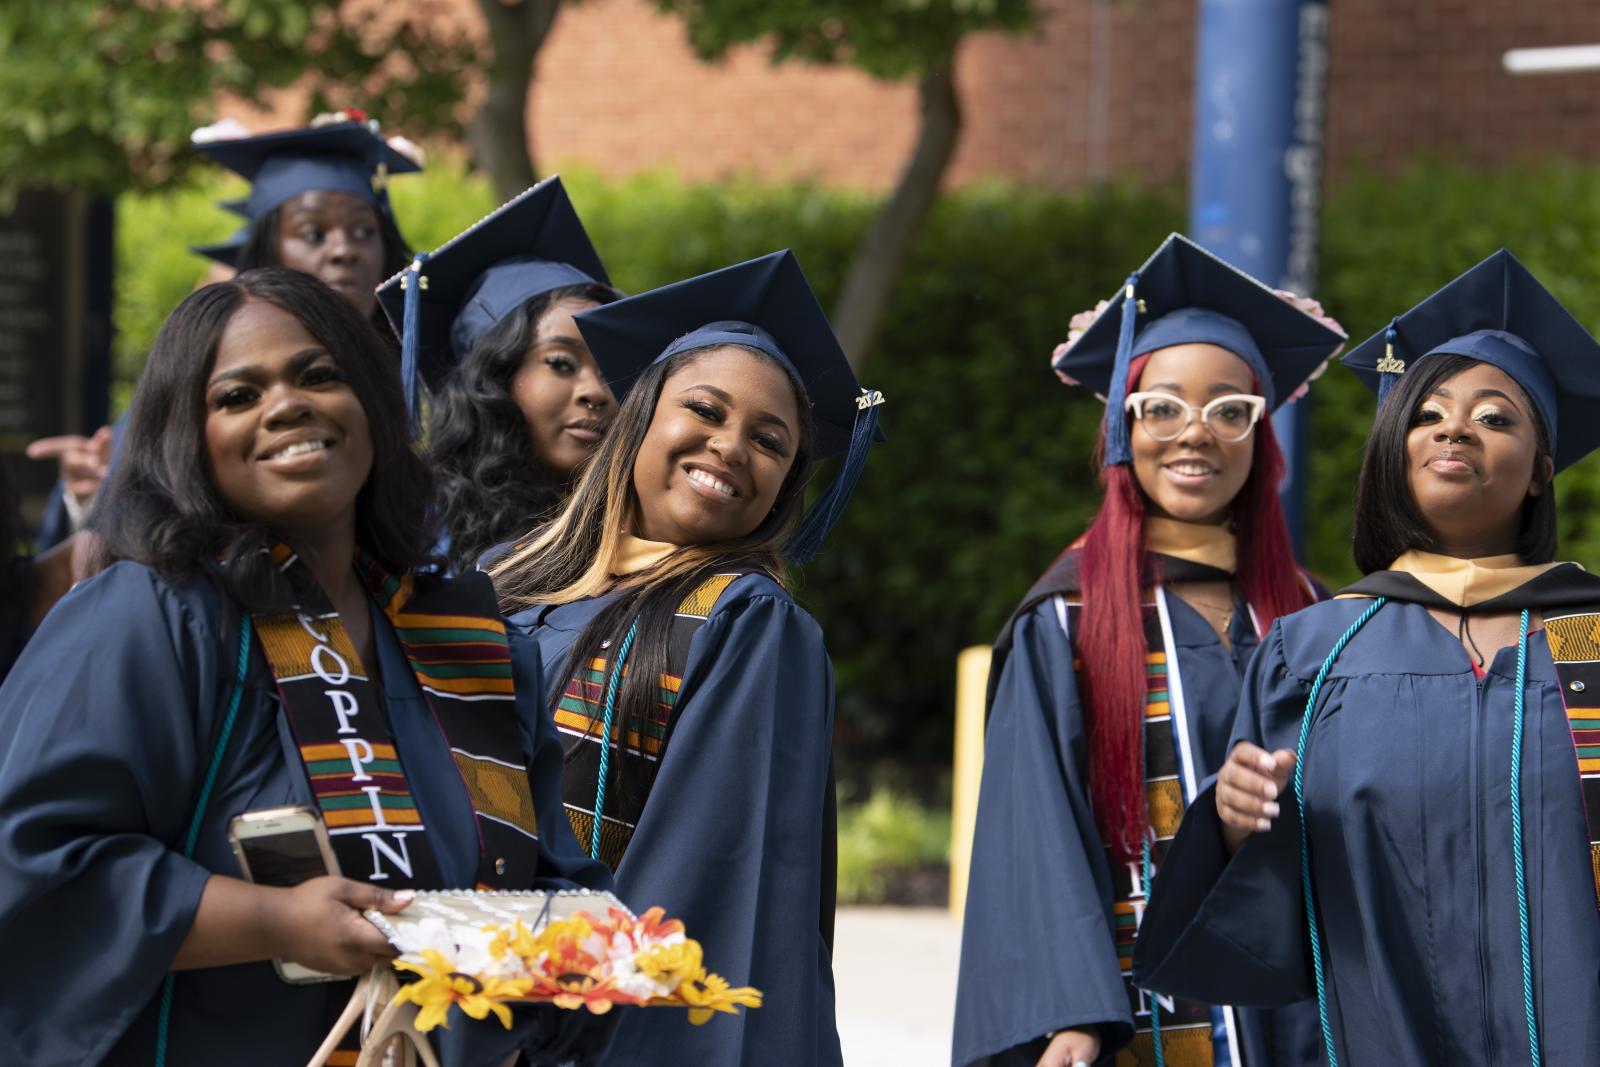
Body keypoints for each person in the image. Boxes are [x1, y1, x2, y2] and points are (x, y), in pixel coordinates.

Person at [0, 268, 612, 1067]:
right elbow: (33, 869)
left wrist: (581, 948)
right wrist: (274, 921)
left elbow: (544, 882)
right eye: (237, 395)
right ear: (187, 437)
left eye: (319, 375)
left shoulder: (465, 639)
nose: (286, 405)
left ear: (370, 404)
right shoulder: (152, 617)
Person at [1131, 249, 1600, 1066]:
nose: (1456, 427)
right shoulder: (1316, 651)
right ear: (1396, 450)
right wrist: (1239, 827)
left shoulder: (1589, 634)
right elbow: (1276, 917)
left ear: (1541, 471)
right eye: (1428, 413)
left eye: (1497, 416)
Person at [953, 234, 1346, 1067]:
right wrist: (1069, 1011)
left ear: (1259, 435)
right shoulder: (1066, 616)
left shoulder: (1311, 614)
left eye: (1227, 409)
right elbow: (1035, 832)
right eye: (1160, 407)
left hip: (1305, 1013)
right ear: (1122, 430)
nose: (1192, 433)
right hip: (1137, 1010)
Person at [490, 250, 885, 1066]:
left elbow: (712, 885)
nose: (732, 445)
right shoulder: (502, 581)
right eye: (704, 409)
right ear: (639, 416)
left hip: (585, 1033)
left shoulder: (746, 623)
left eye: (770, 441)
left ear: (784, 485)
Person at [27, 112, 421, 553]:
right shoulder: (201, 370)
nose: (344, 250)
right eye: (313, 233)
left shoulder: (425, 383)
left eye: (364, 231)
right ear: (266, 252)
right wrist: (87, 502)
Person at [376, 177, 621, 573]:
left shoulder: (634, 536)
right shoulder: (415, 533)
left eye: (610, 368)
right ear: (493, 379)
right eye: (560, 363)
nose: (596, 392)